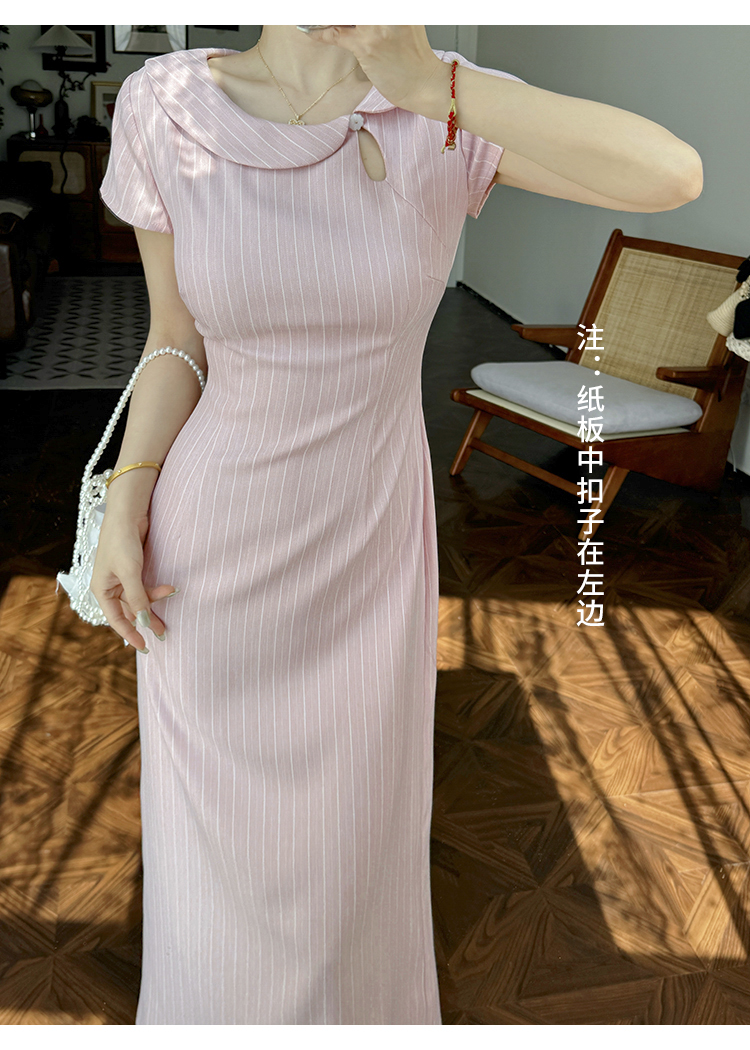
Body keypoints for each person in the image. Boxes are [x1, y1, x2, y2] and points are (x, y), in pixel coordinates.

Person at [92, 25, 702, 1025]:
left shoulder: (442, 107)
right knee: (213, 860)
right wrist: (125, 500)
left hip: (368, 543)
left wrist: (433, 83)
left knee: (353, 849)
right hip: (211, 548)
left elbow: (671, 175)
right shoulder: (164, 105)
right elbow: (174, 340)